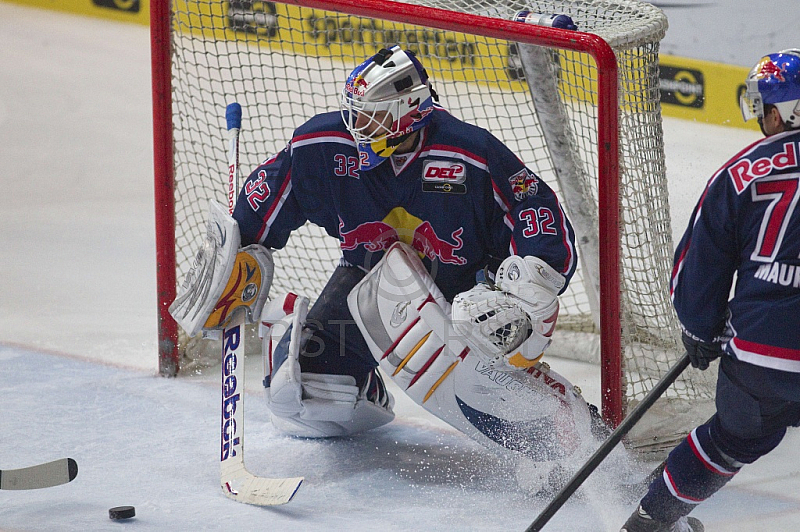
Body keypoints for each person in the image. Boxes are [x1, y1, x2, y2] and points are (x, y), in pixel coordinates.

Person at [172, 45, 598, 485]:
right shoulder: (322, 147)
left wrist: (532, 280)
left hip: (462, 297)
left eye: (371, 116)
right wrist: (236, 255)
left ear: (408, 112)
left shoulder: (469, 152)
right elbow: (262, 207)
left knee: (477, 380)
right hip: (366, 290)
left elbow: (535, 207)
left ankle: (569, 432)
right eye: (355, 113)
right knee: (297, 394)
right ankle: (365, 384)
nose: (358, 126)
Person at [621, 49, 800, 532]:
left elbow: (698, 267)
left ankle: (649, 524)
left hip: (763, 358)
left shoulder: (743, 170)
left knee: (730, 441)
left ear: (782, 111)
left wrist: (701, 330)